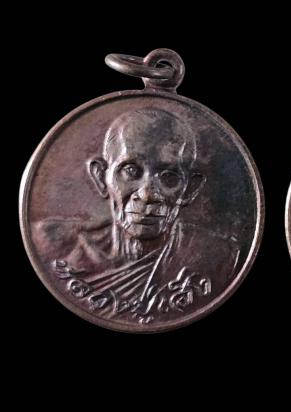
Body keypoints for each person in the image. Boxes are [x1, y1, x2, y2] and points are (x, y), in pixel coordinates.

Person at [37, 108, 239, 322]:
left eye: (168, 176)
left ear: (190, 188)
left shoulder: (218, 256)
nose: (148, 195)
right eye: (131, 171)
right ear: (101, 177)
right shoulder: (59, 246)